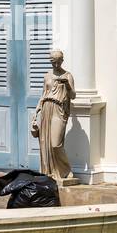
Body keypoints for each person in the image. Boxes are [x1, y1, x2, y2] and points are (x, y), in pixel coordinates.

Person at [31, 49, 76, 183]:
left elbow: (73, 95)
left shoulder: (68, 75)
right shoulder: (47, 76)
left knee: (56, 143)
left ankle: (65, 170)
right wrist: (37, 110)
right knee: (45, 142)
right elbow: (44, 93)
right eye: (53, 62)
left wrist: (67, 85)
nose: (56, 65)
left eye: (58, 62)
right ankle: (48, 171)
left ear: (62, 61)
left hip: (59, 109)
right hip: (46, 108)